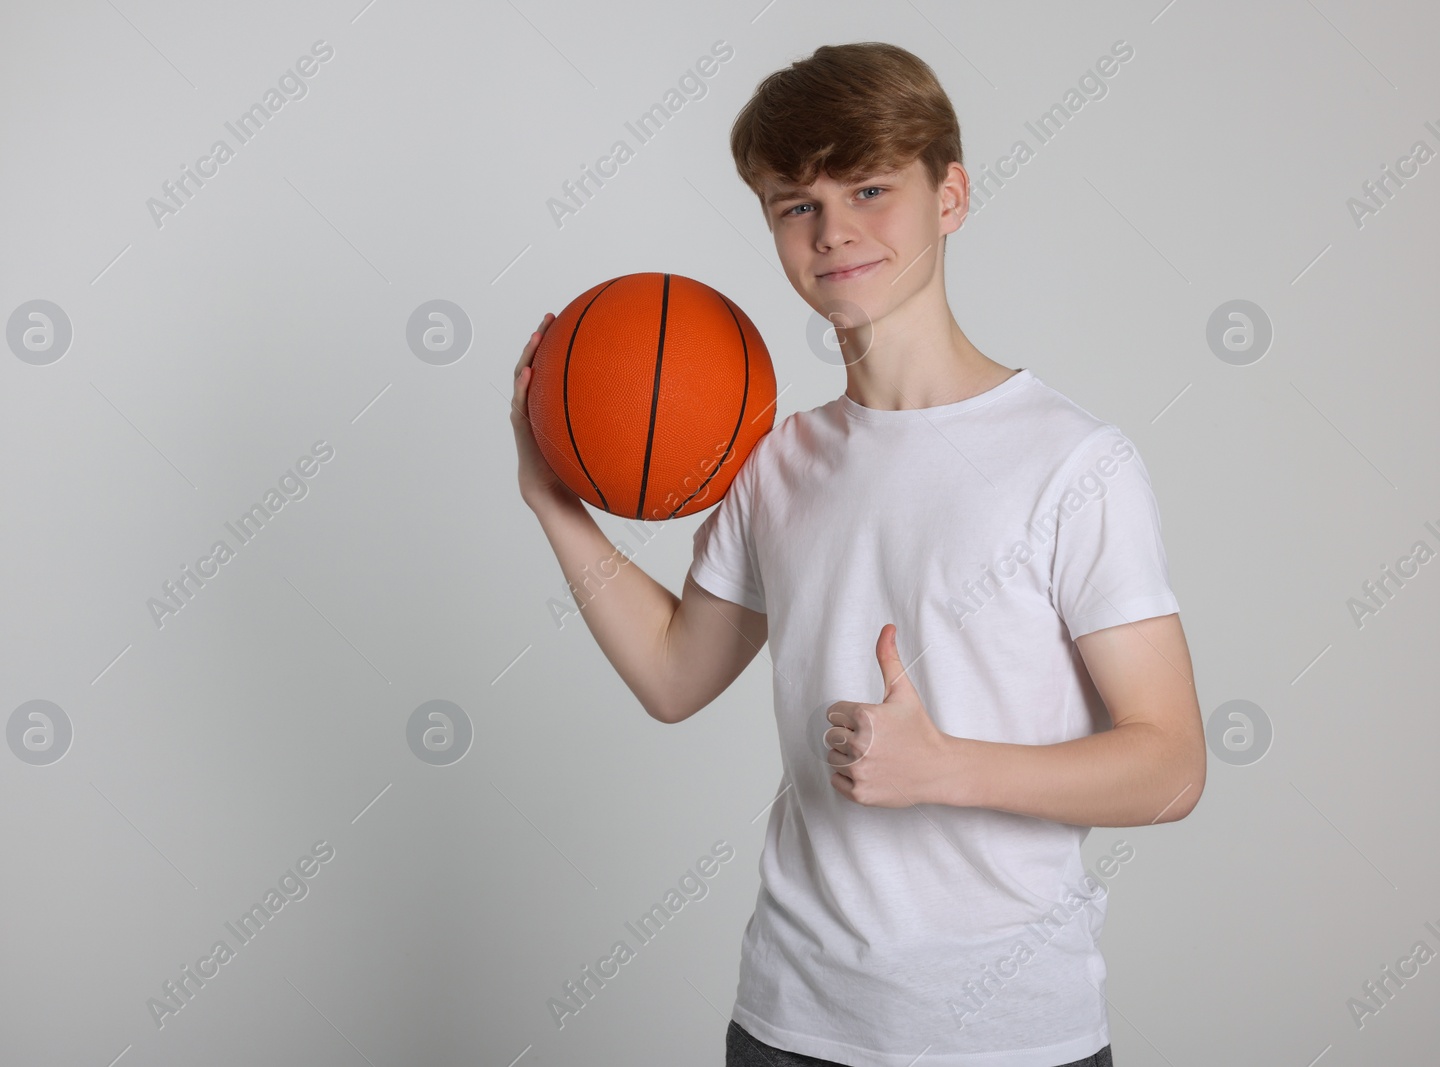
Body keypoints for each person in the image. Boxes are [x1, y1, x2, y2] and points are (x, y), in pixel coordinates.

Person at [509, 41, 1204, 1067]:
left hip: (1010, 1036)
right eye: (796, 204)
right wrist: (548, 496)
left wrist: (944, 766)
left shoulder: (1074, 462)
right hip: (790, 1021)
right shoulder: (774, 461)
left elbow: (1170, 764)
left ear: (950, 196)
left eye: (869, 188)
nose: (833, 230)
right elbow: (671, 675)